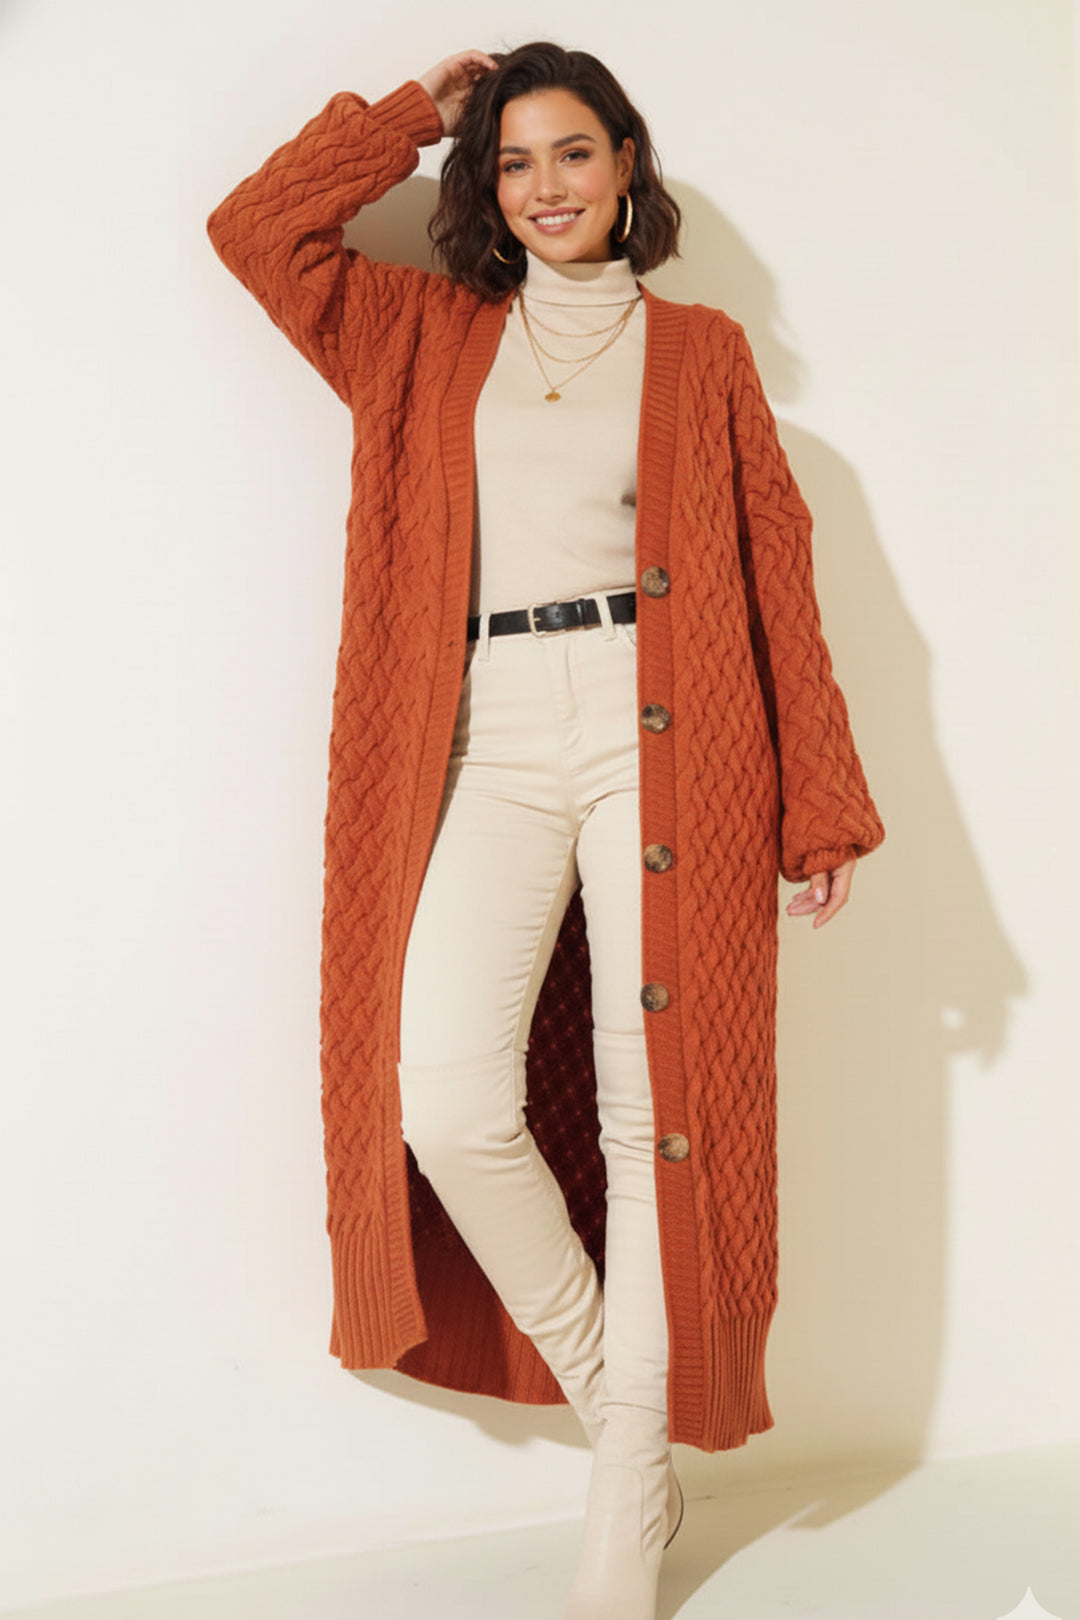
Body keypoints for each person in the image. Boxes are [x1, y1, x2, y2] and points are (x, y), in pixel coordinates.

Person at [207, 41, 884, 1620]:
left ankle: (621, 1507)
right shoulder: (420, 334)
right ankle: (624, 1423)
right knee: (445, 1099)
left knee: (660, 1116)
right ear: (487, 186)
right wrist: (410, 117)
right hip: (487, 732)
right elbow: (255, 231)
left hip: (670, 733)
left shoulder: (702, 353)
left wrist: (819, 796)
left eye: (573, 152)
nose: (546, 186)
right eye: (513, 162)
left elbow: (775, 570)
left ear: (627, 163)